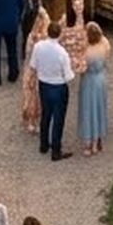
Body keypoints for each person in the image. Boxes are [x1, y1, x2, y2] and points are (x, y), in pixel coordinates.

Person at [31, 22, 75, 161]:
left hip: (44, 84)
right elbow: (68, 76)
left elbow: (33, 65)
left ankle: (43, 144)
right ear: (59, 34)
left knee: (46, 114)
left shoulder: (38, 46)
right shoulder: (62, 53)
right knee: (58, 119)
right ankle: (56, 150)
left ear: (47, 32)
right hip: (58, 87)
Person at [76, 21, 112, 157]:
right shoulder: (105, 45)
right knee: (99, 108)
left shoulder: (86, 51)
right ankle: (97, 142)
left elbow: (80, 68)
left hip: (88, 80)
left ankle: (88, 143)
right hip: (100, 79)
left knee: (87, 109)